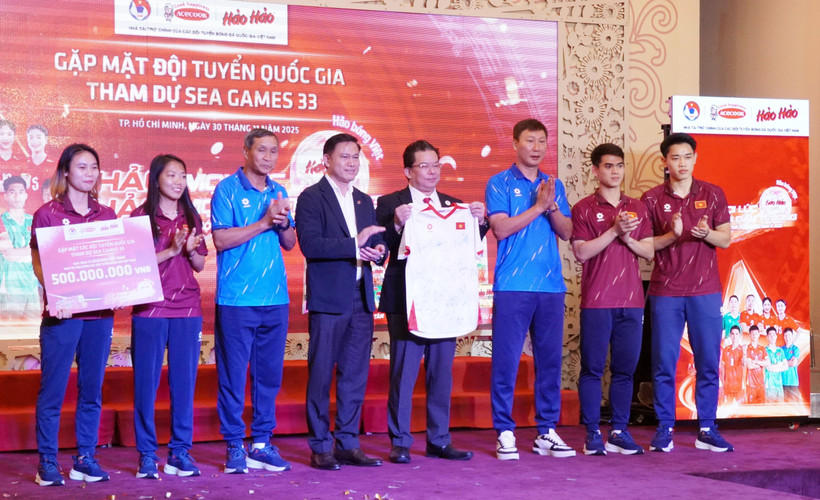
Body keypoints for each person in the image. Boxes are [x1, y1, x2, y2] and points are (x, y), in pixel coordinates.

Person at [375, 140, 487, 464]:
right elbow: (382, 249)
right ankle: (400, 441)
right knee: (404, 373)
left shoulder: (456, 205)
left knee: (441, 373)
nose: (432, 171)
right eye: (424, 166)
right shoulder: (389, 203)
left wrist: (480, 222)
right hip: (405, 301)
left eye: (436, 165)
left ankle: (439, 438)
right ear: (408, 171)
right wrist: (396, 224)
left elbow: (466, 247)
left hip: (445, 301)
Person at [485, 118, 575, 460]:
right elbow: (501, 229)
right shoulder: (499, 183)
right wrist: (537, 206)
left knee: (550, 361)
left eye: (542, 142)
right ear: (515, 143)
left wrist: (550, 205)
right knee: (506, 361)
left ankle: (547, 431)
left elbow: (566, 232)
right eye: (530, 141)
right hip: (512, 285)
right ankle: (505, 431)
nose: (536, 148)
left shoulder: (554, 185)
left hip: (550, 285)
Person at [295, 133, 386, 470]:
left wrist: (379, 251)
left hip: (361, 298)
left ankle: (347, 442)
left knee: (354, 375)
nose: (351, 163)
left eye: (355, 157)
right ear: (327, 160)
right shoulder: (311, 197)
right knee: (320, 374)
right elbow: (311, 245)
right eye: (344, 157)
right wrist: (353, 245)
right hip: (329, 299)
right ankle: (320, 445)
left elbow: (373, 241)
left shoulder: (364, 200)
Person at [210, 128, 296, 474]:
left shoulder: (279, 191)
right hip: (236, 299)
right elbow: (220, 240)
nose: (269, 157)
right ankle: (234, 445)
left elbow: (290, 242)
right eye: (262, 150)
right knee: (233, 375)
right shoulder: (227, 189)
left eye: (274, 151)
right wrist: (263, 222)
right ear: (246, 151)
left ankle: (261, 443)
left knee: (269, 376)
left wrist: (284, 221)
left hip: (275, 297)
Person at [641, 132, 733, 453]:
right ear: (665, 162)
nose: (681, 163)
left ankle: (707, 427)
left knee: (709, 361)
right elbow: (643, 248)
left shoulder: (713, 193)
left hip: (705, 291)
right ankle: (665, 427)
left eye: (686, 156)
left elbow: (725, 240)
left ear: (695, 158)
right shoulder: (651, 199)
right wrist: (671, 235)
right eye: (674, 158)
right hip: (666, 291)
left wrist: (708, 233)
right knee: (664, 361)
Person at [30, 144, 116, 486]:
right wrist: (56, 294)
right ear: (66, 172)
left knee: (91, 390)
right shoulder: (47, 214)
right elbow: (38, 262)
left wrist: (123, 289)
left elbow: (114, 264)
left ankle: (85, 458)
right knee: (53, 390)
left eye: (94, 167)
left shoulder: (107, 215)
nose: (89, 173)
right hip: (62, 315)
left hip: (99, 315)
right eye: (82, 167)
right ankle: (47, 463)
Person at [570, 143, 653, 456]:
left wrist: (628, 236)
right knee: (592, 369)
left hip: (632, 300)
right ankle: (592, 433)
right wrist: (614, 231)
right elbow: (581, 252)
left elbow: (649, 251)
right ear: (595, 170)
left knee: (625, 370)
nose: (615, 171)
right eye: (608, 166)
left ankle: (619, 431)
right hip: (597, 300)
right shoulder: (583, 208)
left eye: (619, 165)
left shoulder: (638, 207)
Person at [130, 154, 207, 479]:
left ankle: (180, 452)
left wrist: (189, 250)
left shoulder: (192, 215)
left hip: (187, 308)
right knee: (146, 384)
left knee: (184, 384)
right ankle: (147, 454)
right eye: (171, 175)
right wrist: (171, 251)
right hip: (150, 308)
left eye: (183, 175)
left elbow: (201, 264)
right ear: (157, 179)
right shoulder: (140, 216)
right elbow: (134, 265)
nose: (178, 181)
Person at [0, 175, 41, 321]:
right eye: (12, 192)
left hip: (31, 289)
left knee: (35, 335)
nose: (17, 196)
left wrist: (28, 251)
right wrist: (33, 250)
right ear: (5, 196)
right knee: (8, 335)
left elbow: (44, 251)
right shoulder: (1, 221)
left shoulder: (35, 220)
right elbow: (10, 255)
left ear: (26, 195)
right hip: (9, 291)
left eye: (20, 191)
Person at [720, 326, 744, 403]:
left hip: (739, 387)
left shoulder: (743, 350)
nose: (734, 336)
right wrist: (723, 384)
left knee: (741, 412)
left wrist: (745, 354)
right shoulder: (726, 349)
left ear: (740, 336)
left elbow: (744, 364)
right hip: (728, 387)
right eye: (733, 334)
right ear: (730, 335)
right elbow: (722, 368)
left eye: (737, 334)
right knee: (727, 411)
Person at [744, 325, 766, 404]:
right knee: (751, 409)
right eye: (752, 333)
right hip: (751, 384)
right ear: (749, 335)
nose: (754, 335)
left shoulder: (762, 348)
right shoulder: (747, 348)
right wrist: (761, 363)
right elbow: (749, 366)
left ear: (759, 334)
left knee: (762, 409)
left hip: (761, 383)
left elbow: (768, 362)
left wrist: (756, 362)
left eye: (756, 333)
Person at [763, 327, 786, 402]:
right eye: (770, 335)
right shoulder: (764, 350)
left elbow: (786, 366)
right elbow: (768, 368)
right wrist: (779, 364)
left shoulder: (780, 350)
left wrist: (775, 367)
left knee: (781, 409)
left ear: (776, 336)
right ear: (767, 337)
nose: (772, 337)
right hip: (769, 385)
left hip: (779, 384)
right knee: (770, 408)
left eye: (774, 335)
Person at [781, 327, 800, 402]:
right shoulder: (780, 350)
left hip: (793, 382)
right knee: (783, 407)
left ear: (792, 336)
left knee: (793, 407)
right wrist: (787, 362)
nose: (787, 338)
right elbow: (778, 364)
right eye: (785, 335)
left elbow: (793, 363)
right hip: (782, 382)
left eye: (789, 335)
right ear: (783, 337)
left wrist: (783, 362)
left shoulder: (795, 349)